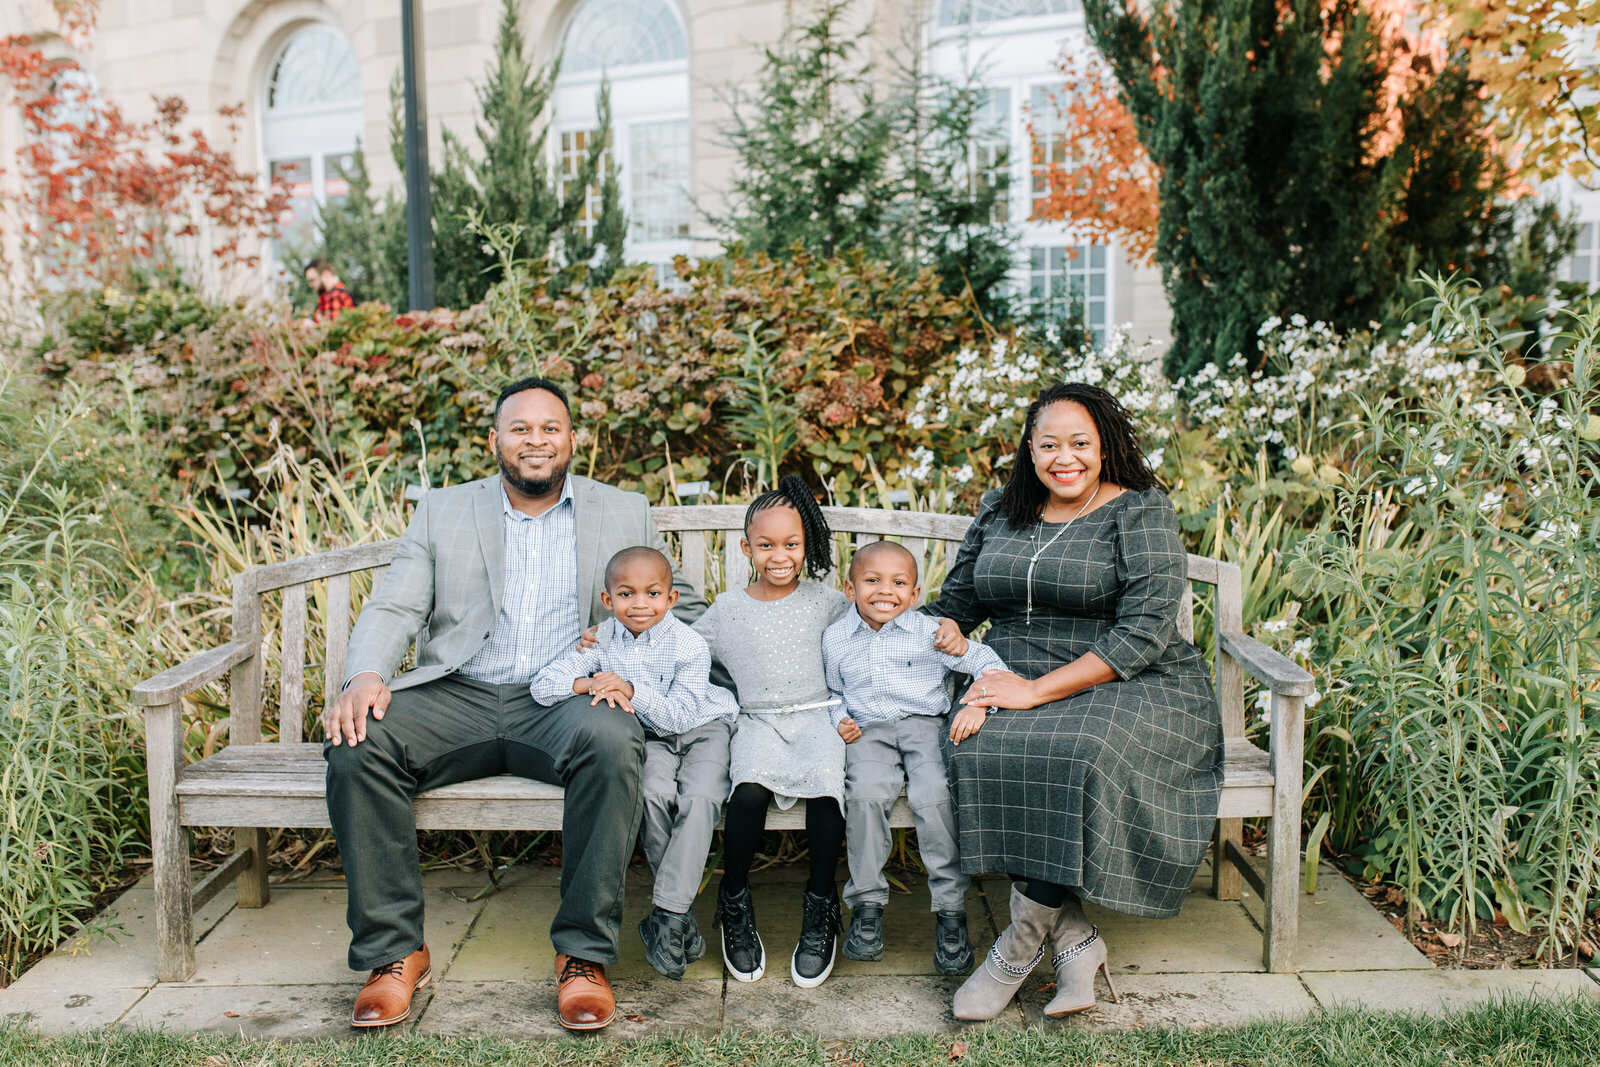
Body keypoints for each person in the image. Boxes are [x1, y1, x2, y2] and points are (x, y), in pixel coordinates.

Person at [320, 376, 705, 1032]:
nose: (536, 441)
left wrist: (635, 648)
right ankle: (393, 953)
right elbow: (396, 604)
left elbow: (678, 602)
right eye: (520, 429)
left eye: (550, 428)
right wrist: (364, 674)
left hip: (564, 694)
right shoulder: (445, 509)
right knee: (359, 740)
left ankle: (582, 956)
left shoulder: (623, 509)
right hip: (459, 691)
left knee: (614, 740)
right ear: (494, 439)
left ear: (572, 440)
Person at [930, 381, 1222, 1021]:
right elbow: (956, 605)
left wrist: (1033, 692)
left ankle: (1015, 948)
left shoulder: (1139, 510)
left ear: (1105, 446)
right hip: (1011, 666)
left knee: (1075, 750)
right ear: (1029, 451)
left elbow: (1144, 630)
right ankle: (1076, 942)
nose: (1065, 457)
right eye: (1049, 443)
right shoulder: (1001, 510)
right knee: (980, 742)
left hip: (1127, 678)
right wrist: (922, 632)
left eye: (1080, 443)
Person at [529, 546, 737, 981]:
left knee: (699, 800)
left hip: (704, 730)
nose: (640, 604)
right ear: (608, 601)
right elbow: (543, 686)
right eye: (626, 594)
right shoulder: (601, 639)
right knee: (652, 795)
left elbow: (681, 715)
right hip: (654, 740)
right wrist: (590, 681)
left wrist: (629, 688)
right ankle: (675, 920)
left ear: (671, 599)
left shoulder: (689, 646)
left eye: (652, 593)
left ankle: (666, 913)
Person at [692, 475, 852, 988]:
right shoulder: (727, 609)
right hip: (758, 720)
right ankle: (734, 899)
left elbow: (873, 636)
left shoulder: (827, 603)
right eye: (765, 545)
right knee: (747, 793)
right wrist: (605, 638)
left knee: (829, 792)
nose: (779, 555)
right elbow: (679, 649)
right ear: (746, 548)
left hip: (818, 716)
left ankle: (821, 905)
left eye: (791, 544)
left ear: (806, 546)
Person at [822, 540, 1006, 975]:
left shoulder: (933, 633)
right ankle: (866, 908)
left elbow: (986, 663)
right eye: (872, 581)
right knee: (865, 794)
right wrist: (839, 719)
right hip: (867, 732)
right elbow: (831, 693)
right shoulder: (836, 638)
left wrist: (979, 703)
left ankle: (950, 912)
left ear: (915, 594)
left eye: (898, 583)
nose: (885, 591)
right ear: (850, 588)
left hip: (926, 728)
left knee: (934, 795)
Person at [305, 257, 354, 321]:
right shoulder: (327, 296)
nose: (311, 285)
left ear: (326, 274)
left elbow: (333, 328)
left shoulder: (336, 296)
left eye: (313, 280)